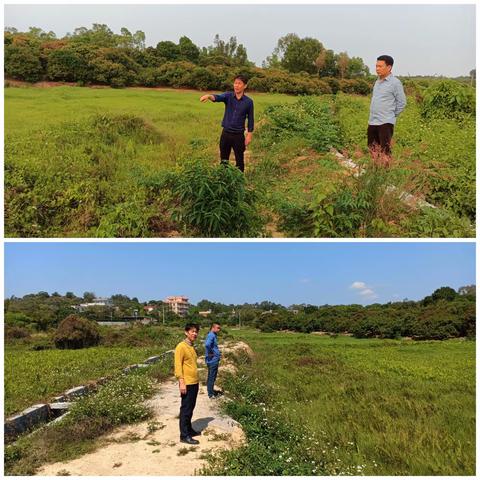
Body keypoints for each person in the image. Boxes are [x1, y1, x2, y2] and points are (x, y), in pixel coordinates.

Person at [200, 75, 254, 172]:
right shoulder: (228, 96)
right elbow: (217, 97)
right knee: (224, 160)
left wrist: (249, 135)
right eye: (235, 83)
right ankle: (223, 180)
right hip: (226, 134)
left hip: (238, 136)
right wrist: (208, 96)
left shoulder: (248, 102)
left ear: (245, 86)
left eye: (239, 83)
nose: (236, 85)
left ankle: (239, 181)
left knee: (239, 161)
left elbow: (250, 119)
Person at [368, 55, 407, 166]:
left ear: (389, 67)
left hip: (385, 122)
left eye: (380, 66)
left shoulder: (395, 83)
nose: (377, 68)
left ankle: (385, 176)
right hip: (372, 121)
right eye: (376, 66)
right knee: (373, 149)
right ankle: (375, 172)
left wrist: (391, 115)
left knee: (385, 151)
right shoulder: (377, 82)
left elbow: (402, 102)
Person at [174, 323, 201, 445]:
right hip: (187, 383)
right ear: (186, 332)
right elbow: (178, 365)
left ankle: (189, 429)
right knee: (185, 409)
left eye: (196, 332)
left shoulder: (191, 346)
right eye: (192, 331)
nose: (195, 334)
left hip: (194, 382)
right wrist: (181, 382)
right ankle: (184, 435)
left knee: (191, 408)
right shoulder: (181, 346)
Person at [204, 322, 222, 399]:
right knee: (212, 377)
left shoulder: (213, 335)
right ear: (213, 327)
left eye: (219, 328)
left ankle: (210, 391)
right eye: (217, 328)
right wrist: (211, 352)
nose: (219, 329)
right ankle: (211, 394)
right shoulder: (211, 335)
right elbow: (207, 345)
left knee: (211, 376)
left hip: (213, 359)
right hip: (213, 360)